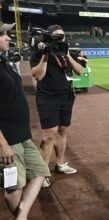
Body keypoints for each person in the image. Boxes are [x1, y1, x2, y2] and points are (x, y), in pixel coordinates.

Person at [0, 21, 51, 219]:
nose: (8, 38)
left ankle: (21, 218)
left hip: (23, 136)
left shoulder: (3, 61)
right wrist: (2, 143)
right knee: (14, 187)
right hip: (7, 139)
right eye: (3, 35)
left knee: (40, 171)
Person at [30, 25, 83, 188]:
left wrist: (67, 53)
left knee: (62, 130)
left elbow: (80, 71)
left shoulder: (67, 52)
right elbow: (38, 75)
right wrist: (46, 55)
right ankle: (42, 173)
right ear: (49, 37)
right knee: (48, 136)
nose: (60, 38)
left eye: (62, 35)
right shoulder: (39, 53)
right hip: (48, 98)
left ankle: (60, 164)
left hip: (66, 96)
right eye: (57, 36)